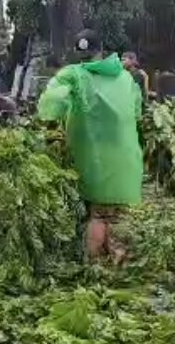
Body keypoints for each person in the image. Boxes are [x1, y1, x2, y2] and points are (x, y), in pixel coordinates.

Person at [38, 30, 143, 262]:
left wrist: (50, 121)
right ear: (101, 50)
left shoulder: (73, 75)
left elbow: (52, 102)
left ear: (79, 53)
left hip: (89, 155)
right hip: (122, 155)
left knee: (97, 215)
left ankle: (94, 263)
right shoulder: (125, 77)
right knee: (113, 214)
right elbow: (136, 111)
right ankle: (115, 256)